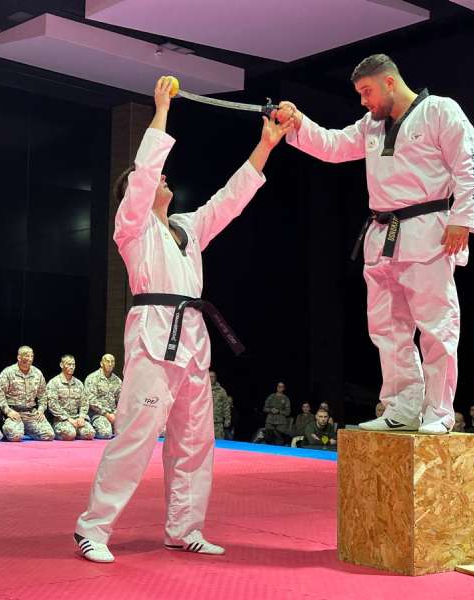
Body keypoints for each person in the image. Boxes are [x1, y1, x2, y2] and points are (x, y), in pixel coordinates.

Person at [74, 77, 289, 563]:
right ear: (133, 193)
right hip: (154, 335)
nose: (162, 179)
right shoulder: (131, 228)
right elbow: (146, 171)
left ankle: (184, 527)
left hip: (192, 337)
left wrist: (265, 146)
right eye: (153, 179)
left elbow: (230, 200)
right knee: (136, 436)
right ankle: (93, 527)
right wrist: (162, 109)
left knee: (194, 441)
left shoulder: (187, 228)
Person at [275, 54, 474, 434]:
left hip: (429, 230)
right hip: (383, 233)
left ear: (389, 82)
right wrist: (299, 122)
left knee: (436, 327)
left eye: (366, 91)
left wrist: (462, 220)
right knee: (388, 329)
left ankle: (439, 412)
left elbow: (469, 165)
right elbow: (333, 145)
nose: (363, 101)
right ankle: (402, 407)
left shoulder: (439, 111)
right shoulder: (371, 125)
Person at [0, 346, 55, 442]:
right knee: (15, 436)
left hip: (31, 413)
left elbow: (43, 395)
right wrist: (8, 411)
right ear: (19, 357)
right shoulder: (8, 372)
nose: (30, 359)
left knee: (49, 435)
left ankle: (27, 429)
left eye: (32, 356)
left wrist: (41, 409)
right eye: (27, 356)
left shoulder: (37, 373)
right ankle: (15, 429)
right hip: (14, 413)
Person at [48, 355, 94, 441]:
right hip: (61, 420)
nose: (72, 367)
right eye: (69, 364)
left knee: (90, 433)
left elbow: (84, 402)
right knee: (69, 434)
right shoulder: (54, 383)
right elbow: (52, 405)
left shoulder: (79, 383)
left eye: (73, 364)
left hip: (76, 418)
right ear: (61, 365)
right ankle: (67, 432)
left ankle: (76, 432)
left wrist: (81, 417)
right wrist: (68, 419)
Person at [84, 354, 122, 439]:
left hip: (114, 414)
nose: (110, 364)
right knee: (105, 433)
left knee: (131, 431)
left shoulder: (117, 381)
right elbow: (91, 400)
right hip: (98, 414)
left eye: (112, 362)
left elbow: (122, 401)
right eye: (107, 361)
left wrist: (115, 414)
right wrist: (107, 414)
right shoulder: (92, 378)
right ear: (101, 363)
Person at [210, 370, 231, 440]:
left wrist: (227, 420)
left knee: (219, 442)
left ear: (216, 378)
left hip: (218, 423)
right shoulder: (203, 390)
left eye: (213, 377)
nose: (211, 378)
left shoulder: (221, 391)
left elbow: (226, 406)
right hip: (205, 423)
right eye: (209, 377)